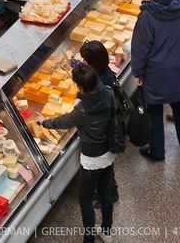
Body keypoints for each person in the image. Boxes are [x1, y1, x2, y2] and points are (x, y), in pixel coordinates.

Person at [41, 63, 114, 243]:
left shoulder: (82, 110)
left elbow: (64, 121)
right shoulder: (107, 93)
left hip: (91, 158)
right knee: (106, 191)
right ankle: (106, 231)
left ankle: (89, 238)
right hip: (109, 151)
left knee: (85, 198)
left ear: (81, 87)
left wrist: (44, 122)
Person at [131, 0, 180, 161]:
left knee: (154, 109)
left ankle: (157, 151)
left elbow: (141, 47)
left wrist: (137, 71)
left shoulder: (147, 16)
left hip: (157, 71)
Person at [79, 40, 120, 204]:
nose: (83, 62)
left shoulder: (99, 84)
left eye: (85, 60)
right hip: (108, 127)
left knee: (103, 167)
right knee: (106, 165)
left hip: (102, 131)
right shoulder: (106, 72)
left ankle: (108, 194)